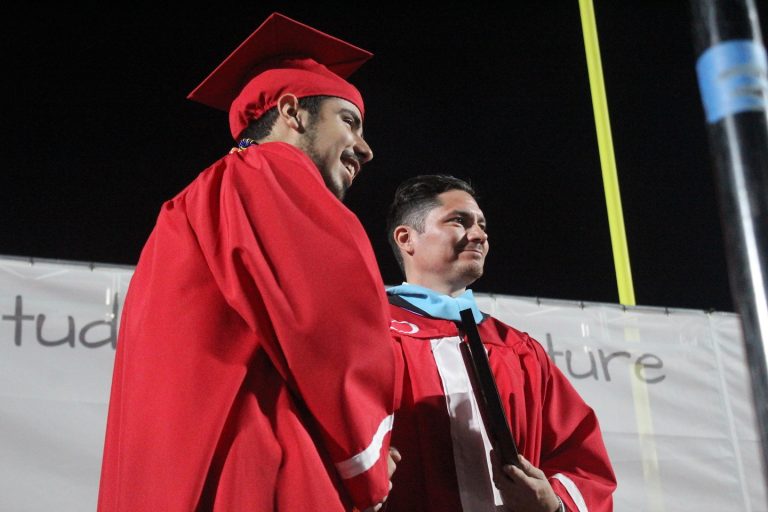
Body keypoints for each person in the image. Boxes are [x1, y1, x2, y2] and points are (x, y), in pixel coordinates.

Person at [97, 13, 399, 512]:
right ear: (292, 111)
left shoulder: (190, 205)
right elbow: (330, 325)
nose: (365, 149)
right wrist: (368, 454)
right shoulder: (271, 176)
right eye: (349, 121)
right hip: (258, 467)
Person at [383, 174, 616, 511]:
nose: (478, 234)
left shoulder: (518, 351)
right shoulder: (369, 335)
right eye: (458, 221)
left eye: (481, 224)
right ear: (407, 239)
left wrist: (554, 504)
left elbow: (580, 458)